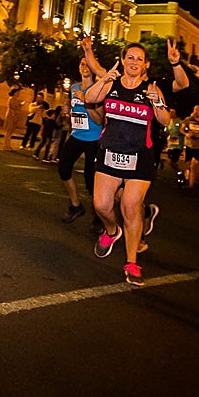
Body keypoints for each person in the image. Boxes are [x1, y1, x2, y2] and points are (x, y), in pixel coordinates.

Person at [83, 42, 174, 287]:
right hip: (110, 151)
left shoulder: (151, 89)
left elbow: (165, 121)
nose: (134, 62)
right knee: (101, 205)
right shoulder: (111, 83)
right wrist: (103, 80)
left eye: (139, 59)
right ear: (123, 60)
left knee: (130, 206)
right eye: (130, 57)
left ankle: (131, 262)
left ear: (146, 65)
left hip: (140, 156)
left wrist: (158, 103)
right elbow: (89, 99)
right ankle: (112, 231)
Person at [58, 49, 103, 223]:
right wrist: (67, 111)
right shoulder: (74, 88)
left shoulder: (98, 89)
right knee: (63, 169)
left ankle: (99, 215)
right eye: (82, 64)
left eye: (88, 65)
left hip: (94, 139)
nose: (85, 67)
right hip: (77, 135)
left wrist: (86, 101)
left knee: (90, 180)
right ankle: (76, 205)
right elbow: (73, 113)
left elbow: (99, 120)